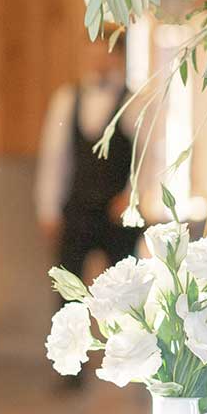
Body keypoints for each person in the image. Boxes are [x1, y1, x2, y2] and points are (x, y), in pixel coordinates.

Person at [36, 36, 136, 286]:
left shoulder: (134, 102)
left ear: (119, 57)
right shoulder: (66, 99)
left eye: (106, 55)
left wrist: (131, 196)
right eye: (94, 55)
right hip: (78, 209)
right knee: (66, 287)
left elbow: (147, 156)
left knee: (124, 290)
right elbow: (55, 158)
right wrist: (48, 208)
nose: (99, 61)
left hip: (117, 209)